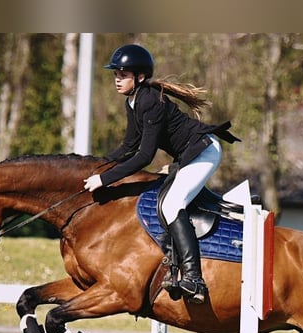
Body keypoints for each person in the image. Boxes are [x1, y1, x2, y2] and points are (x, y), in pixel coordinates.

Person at [83, 44, 240, 304]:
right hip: (189, 155)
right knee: (165, 201)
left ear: (140, 77)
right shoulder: (133, 102)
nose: (117, 80)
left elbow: (144, 156)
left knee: (171, 204)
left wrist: (105, 179)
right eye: (116, 75)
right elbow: (128, 146)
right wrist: (99, 167)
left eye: (123, 74)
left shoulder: (149, 101)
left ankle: (194, 278)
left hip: (205, 152)